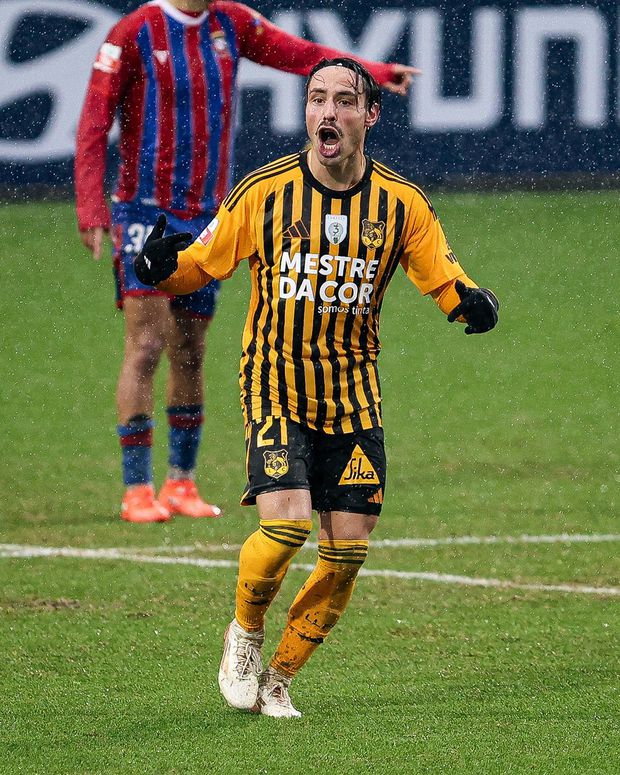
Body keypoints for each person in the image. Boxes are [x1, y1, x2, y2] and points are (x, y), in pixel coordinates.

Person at [132, 57, 499, 716]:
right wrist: (162, 269)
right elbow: (203, 264)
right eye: (316, 98)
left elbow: (442, 274)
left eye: (344, 101)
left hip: (353, 396)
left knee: (347, 553)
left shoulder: (401, 204)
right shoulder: (263, 191)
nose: (327, 112)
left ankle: (278, 677)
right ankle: (245, 633)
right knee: (285, 527)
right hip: (274, 383)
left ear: (370, 115)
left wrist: (468, 302)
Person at [75, 0, 418, 524]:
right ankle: (137, 488)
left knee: (191, 349)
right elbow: (95, 118)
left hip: (207, 212)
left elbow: (302, 55)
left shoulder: (230, 23)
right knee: (146, 344)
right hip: (145, 208)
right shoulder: (135, 31)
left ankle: (181, 482)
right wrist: (91, 206)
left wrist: (374, 72)